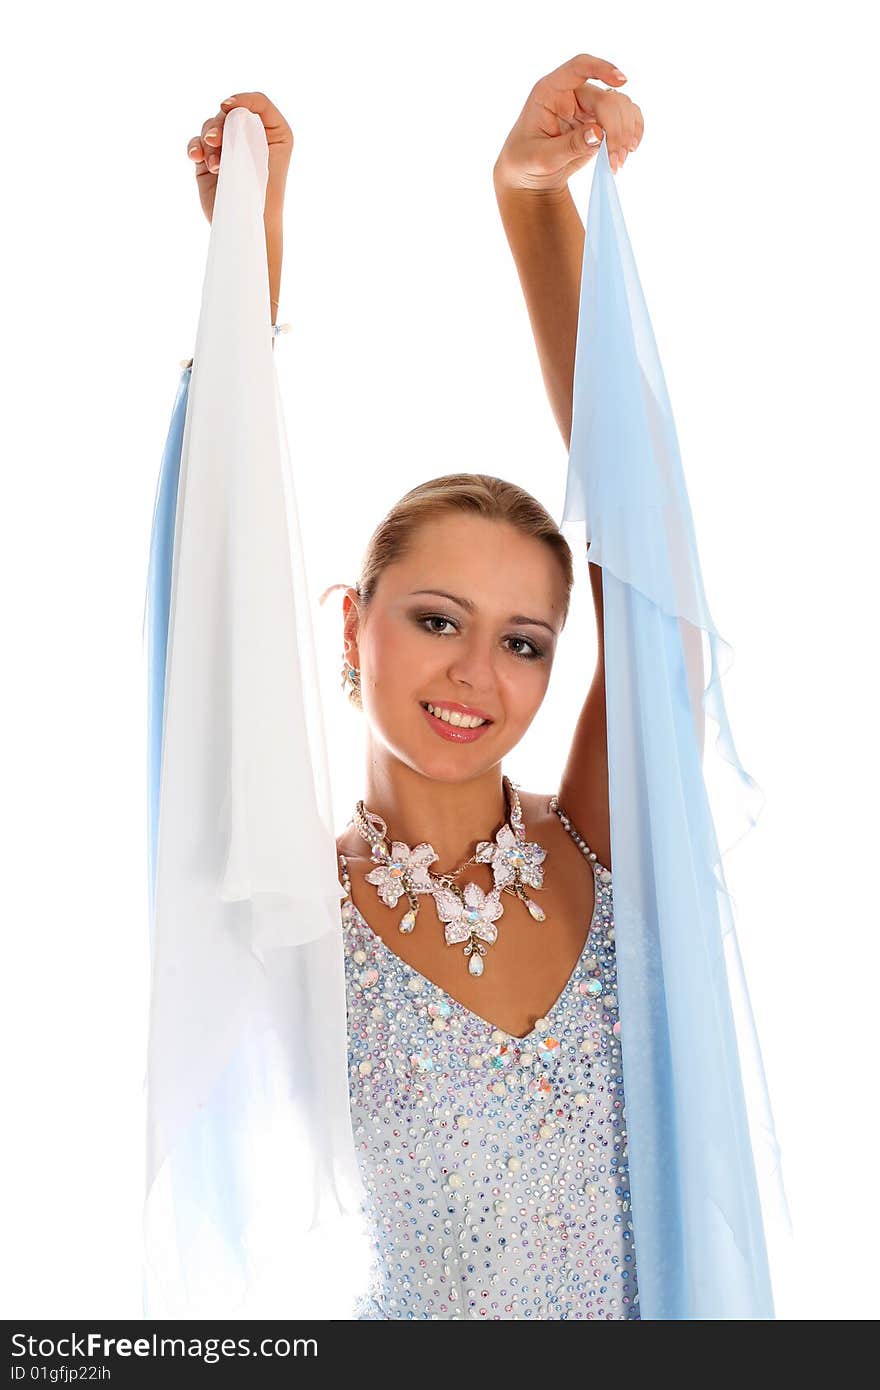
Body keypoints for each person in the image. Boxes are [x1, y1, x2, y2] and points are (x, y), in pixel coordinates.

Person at [148, 57, 778, 1320]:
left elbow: (651, 575)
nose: (476, 674)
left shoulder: (595, 846)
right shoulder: (294, 901)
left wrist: (534, 201)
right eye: (437, 618)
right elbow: (208, 610)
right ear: (352, 623)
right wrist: (244, 269)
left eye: (526, 640)